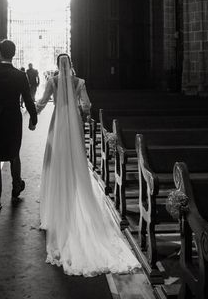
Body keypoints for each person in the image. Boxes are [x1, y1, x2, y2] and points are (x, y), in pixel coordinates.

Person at [35, 54, 140, 276]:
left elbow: (43, 102)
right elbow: (86, 105)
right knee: (76, 161)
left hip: (58, 124)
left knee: (54, 162)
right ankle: (74, 197)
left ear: (57, 65)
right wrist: (81, 113)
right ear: (71, 64)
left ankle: (55, 204)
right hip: (73, 125)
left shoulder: (53, 82)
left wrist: (34, 113)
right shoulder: (79, 82)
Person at [0, 40, 37, 212]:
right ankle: (16, 188)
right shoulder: (20, 75)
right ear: (13, 53)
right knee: (14, 154)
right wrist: (33, 118)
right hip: (12, 118)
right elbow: (27, 99)